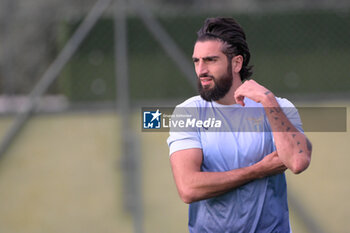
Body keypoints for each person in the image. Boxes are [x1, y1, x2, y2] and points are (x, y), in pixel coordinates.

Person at [167, 17, 312, 233]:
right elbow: (188, 187)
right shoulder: (188, 113)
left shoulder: (277, 107)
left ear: (236, 63)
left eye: (210, 60)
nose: (201, 70)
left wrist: (268, 100)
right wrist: (257, 170)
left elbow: (298, 161)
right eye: (196, 61)